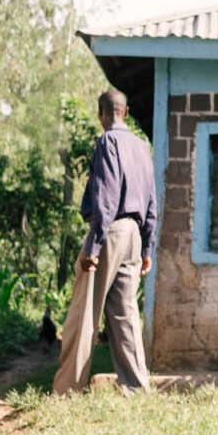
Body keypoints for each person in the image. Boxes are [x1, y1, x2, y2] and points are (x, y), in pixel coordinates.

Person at [55, 88, 158, 393]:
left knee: (85, 311)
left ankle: (66, 392)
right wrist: (147, 248)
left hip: (111, 231)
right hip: (135, 237)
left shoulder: (107, 142)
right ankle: (138, 389)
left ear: (102, 113)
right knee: (124, 314)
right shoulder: (142, 148)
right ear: (125, 112)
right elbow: (152, 202)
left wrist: (93, 245)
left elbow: (107, 197)